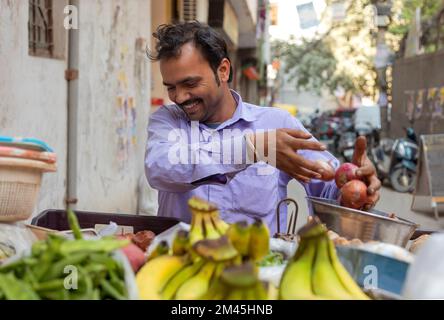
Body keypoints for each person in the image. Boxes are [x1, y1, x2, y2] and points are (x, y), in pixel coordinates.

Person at [145, 21, 381, 234]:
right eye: (171, 87)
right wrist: (253, 148)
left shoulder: (277, 124)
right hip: (181, 268)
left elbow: (329, 189)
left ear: (223, 70)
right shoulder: (167, 121)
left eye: (190, 83)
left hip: (259, 273)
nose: (180, 96)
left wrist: (354, 189)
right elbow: (159, 168)